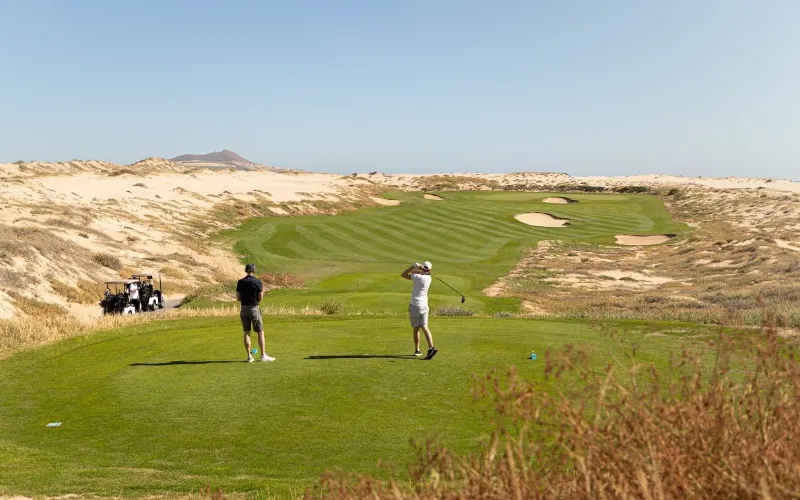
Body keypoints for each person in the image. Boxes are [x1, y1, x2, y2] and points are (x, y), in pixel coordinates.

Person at [236, 263, 275, 362]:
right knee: (260, 332)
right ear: (253, 271)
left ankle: (249, 356)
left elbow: (238, 297)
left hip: (243, 309)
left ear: (246, 270)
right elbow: (260, 297)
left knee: (246, 332)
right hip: (254, 308)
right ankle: (263, 356)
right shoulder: (257, 282)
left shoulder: (240, 282)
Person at [401, 261, 437, 360]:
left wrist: (413, 266)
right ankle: (431, 348)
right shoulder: (429, 278)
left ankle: (417, 350)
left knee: (416, 328)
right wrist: (421, 269)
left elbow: (404, 274)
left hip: (415, 305)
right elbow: (419, 273)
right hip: (424, 306)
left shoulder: (418, 277)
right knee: (425, 327)